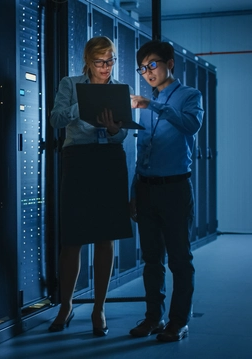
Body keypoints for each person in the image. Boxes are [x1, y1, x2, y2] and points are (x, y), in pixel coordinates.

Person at [49, 36, 133, 337]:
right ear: (88, 61)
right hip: (78, 160)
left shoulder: (122, 90)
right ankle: (66, 304)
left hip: (109, 160)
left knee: (106, 237)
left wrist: (113, 130)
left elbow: (122, 136)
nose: (106, 68)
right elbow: (56, 119)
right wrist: (81, 105)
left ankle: (99, 307)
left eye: (110, 61)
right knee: (72, 238)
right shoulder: (70, 84)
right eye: (100, 62)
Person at [128, 39, 204, 342]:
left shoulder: (190, 95)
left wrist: (153, 105)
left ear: (170, 63)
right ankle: (152, 318)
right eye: (143, 68)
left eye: (153, 64)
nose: (148, 72)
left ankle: (178, 321)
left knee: (180, 260)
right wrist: (134, 190)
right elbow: (142, 150)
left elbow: (191, 126)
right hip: (146, 189)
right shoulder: (144, 106)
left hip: (175, 189)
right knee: (151, 259)